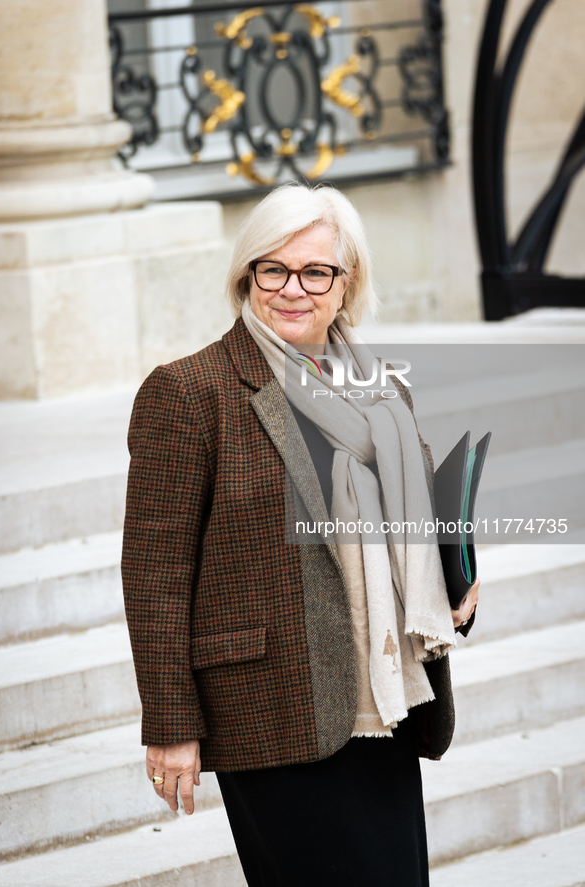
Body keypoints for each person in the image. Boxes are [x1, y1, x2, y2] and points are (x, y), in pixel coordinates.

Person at [121, 183, 479, 887]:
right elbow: (155, 576)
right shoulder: (191, 393)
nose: (293, 288)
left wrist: (458, 578)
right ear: (245, 276)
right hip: (272, 709)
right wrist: (169, 725)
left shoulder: (379, 390)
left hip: (385, 702)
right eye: (272, 268)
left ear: (345, 286)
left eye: (316, 271)